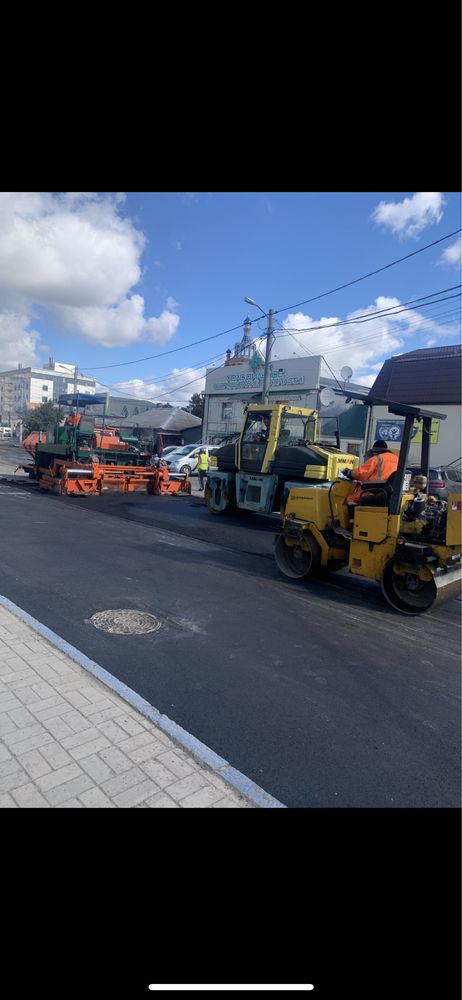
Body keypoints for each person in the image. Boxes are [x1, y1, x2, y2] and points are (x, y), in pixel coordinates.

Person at [342, 439, 399, 505]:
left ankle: (355, 515)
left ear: (375, 451)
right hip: (388, 491)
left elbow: (361, 474)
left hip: (376, 490)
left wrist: (349, 472)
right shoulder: (396, 458)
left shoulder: (377, 458)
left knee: (351, 498)